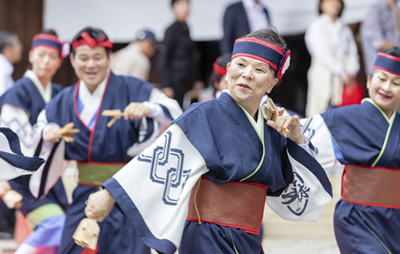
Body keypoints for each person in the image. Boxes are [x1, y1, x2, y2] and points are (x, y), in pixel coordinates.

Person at [84, 28, 333, 254]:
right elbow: (159, 158)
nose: (246, 74)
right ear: (228, 72)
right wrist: (109, 195)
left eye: (259, 69)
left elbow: (297, 192)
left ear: (272, 82)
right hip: (207, 237)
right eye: (240, 64)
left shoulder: (272, 127)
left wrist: (296, 139)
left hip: (249, 240)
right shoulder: (203, 114)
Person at [32, 27, 182, 254]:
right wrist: (47, 132)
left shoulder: (133, 88)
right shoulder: (63, 100)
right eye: (83, 58)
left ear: (110, 58)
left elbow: (174, 111)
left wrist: (148, 109)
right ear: (72, 60)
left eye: (97, 57)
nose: (90, 65)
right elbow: (40, 126)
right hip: (84, 197)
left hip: (126, 196)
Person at [300, 46, 400, 253]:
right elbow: (303, 140)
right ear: (369, 80)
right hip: (357, 219)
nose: (387, 87)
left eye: (396, 83)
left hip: (395, 220)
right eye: (382, 79)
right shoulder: (343, 117)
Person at [0, 29, 68, 253]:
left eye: (52, 56)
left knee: (68, 231)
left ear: (60, 61)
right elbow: (10, 142)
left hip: (51, 180)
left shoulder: (59, 94)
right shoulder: (17, 93)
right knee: (57, 224)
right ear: (31, 56)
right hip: (24, 182)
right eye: (41, 55)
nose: (46, 61)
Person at [304, 0, 360, 117]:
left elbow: (352, 52)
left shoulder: (344, 27)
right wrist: (342, 72)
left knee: (343, 113)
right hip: (324, 72)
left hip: (345, 77)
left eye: (337, 1)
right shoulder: (316, 25)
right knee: (322, 109)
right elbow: (323, 53)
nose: (335, 4)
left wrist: (351, 70)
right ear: (322, 5)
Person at [158, 0, 195, 107]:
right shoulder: (171, 30)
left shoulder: (187, 27)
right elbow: (164, 58)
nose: (185, 8)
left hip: (185, 80)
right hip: (174, 81)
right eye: (180, 4)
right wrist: (166, 85)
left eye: (187, 4)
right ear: (173, 8)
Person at [360, 0, 400, 75]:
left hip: (395, 68)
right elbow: (379, 43)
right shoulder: (375, 12)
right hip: (381, 71)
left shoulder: (394, 10)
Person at [0, 30, 23, 97]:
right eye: (18, 44)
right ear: (7, 49)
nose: (21, 48)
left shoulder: (4, 67)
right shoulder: (1, 69)